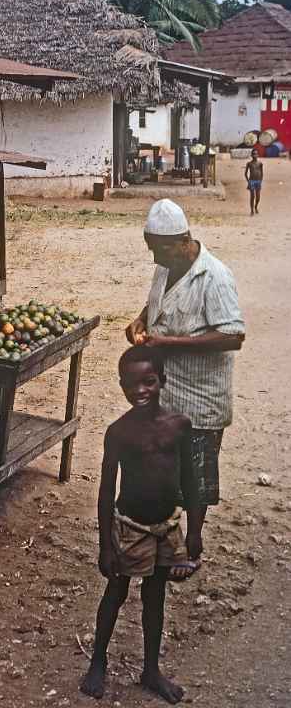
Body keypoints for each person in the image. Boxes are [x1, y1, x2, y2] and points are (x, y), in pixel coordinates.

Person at [125, 199, 245, 579]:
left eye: (161, 250)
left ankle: (193, 545)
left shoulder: (215, 276)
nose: (156, 259)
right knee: (167, 470)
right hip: (170, 394)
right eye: (152, 250)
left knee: (196, 478)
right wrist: (139, 321)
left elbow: (233, 335)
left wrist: (169, 344)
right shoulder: (166, 266)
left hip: (200, 397)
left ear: (184, 240)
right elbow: (154, 305)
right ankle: (166, 539)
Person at [80, 346, 201, 704]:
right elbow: (105, 493)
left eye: (149, 382)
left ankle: (151, 670)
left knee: (155, 596)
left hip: (165, 526)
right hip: (129, 527)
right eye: (131, 385)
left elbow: (191, 483)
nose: (140, 391)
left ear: (162, 381)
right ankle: (98, 662)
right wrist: (105, 545)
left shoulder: (179, 426)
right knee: (116, 592)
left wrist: (194, 530)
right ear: (121, 386)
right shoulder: (119, 433)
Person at [244, 149, 263, 215]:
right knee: (252, 196)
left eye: (256, 154)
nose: (255, 155)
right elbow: (245, 174)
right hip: (251, 181)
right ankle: (251, 210)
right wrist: (248, 181)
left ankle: (255, 207)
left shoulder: (260, 163)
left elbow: (261, 172)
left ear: (258, 155)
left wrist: (261, 181)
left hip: (258, 181)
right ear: (251, 155)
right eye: (254, 154)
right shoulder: (249, 164)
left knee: (258, 197)